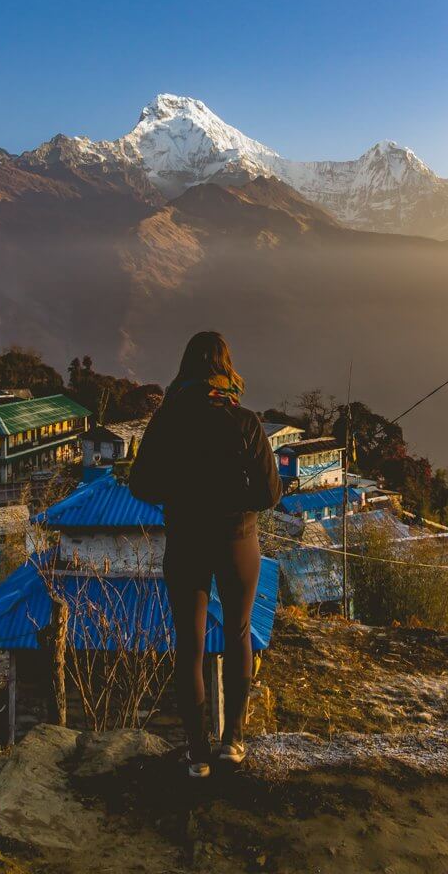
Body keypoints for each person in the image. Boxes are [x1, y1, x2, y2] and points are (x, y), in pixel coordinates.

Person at [129, 331, 282, 777]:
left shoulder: (168, 420)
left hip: (186, 539)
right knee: (237, 634)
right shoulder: (245, 422)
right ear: (226, 369)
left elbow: (141, 484)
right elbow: (270, 494)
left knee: (190, 644)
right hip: (238, 540)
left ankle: (196, 753)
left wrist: (179, 493)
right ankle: (233, 741)